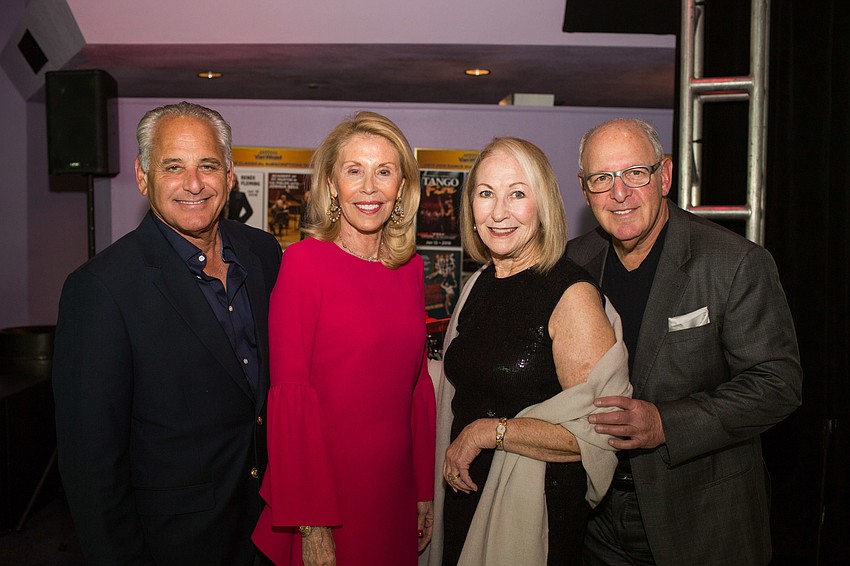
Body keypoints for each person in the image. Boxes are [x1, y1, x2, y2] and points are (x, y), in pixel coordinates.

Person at [52, 101, 282, 565]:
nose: (194, 184)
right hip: (173, 544)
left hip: (268, 531)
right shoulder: (100, 288)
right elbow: (91, 466)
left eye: (208, 165)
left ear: (230, 174)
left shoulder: (264, 254)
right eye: (173, 167)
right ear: (143, 176)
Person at [568, 118, 803, 565]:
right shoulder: (574, 262)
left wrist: (665, 424)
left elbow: (778, 383)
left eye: (635, 173)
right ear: (585, 189)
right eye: (602, 179)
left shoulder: (733, 263)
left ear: (666, 176)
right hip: (592, 518)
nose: (620, 193)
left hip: (701, 518)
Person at [423, 137, 632, 566]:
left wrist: (485, 432)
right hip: (465, 493)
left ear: (544, 205)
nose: (499, 212)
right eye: (486, 194)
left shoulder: (571, 294)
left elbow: (599, 432)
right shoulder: (480, 284)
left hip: (534, 513)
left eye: (517, 193)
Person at [252, 111, 436, 565]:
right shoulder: (303, 265)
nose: (370, 188)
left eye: (384, 172)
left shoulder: (411, 269)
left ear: (402, 187)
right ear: (332, 184)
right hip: (325, 496)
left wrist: (424, 490)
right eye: (354, 171)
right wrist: (312, 524)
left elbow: (416, 387)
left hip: (393, 492)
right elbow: (290, 396)